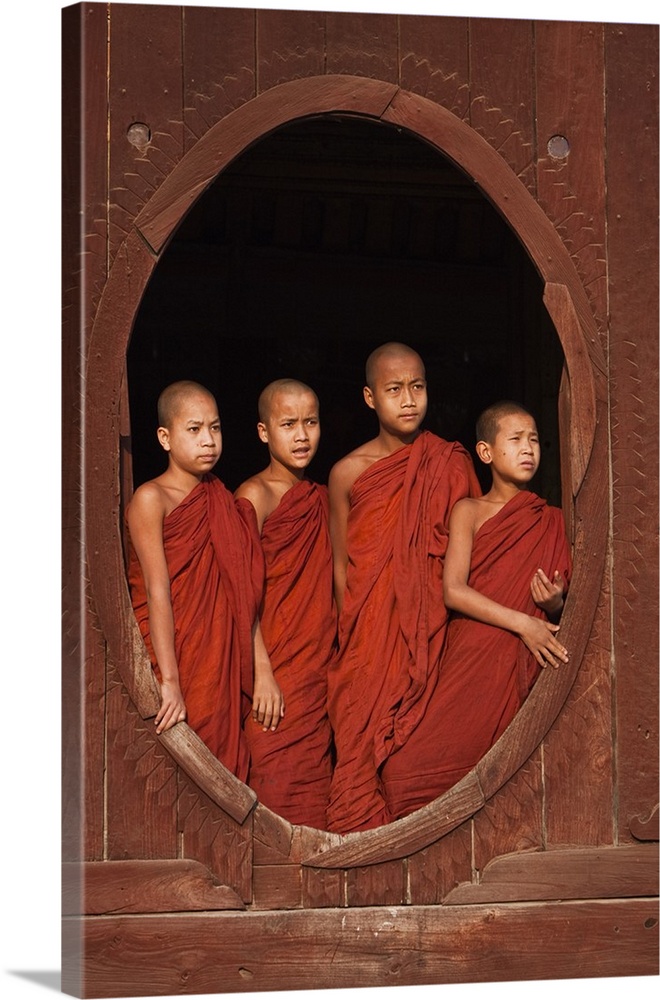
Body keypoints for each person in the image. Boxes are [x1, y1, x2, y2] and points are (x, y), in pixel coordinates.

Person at [380, 400, 572, 818]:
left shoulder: (552, 519)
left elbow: (564, 598)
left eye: (535, 440)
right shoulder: (469, 510)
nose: (528, 449)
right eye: (516, 439)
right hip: (472, 652)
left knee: (508, 779)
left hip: (518, 660)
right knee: (405, 770)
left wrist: (554, 604)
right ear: (485, 453)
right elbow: (453, 590)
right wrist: (525, 622)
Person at [325, 342, 481, 833]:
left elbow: (480, 556)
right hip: (368, 646)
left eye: (417, 386)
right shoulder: (347, 473)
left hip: (433, 636)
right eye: (394, 390)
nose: (409, 399)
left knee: (415, 761)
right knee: (357, 767)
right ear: (371, 398)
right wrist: (349, 645)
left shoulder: (450, 463)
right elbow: (340, 567)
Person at [126, 380, 282, 782]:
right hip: (177, 654)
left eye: (215, 428)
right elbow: (158, 590)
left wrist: (262, 669)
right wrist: (170, 681)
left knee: (225, 771)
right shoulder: (151, 498)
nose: (208, 440)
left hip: (221, 660)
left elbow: (246, 596)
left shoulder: (225, 502)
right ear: (165, 437)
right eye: (193, 430)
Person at [235, 379, 337, 828]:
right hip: (272, 668)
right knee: (274, 785)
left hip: (318, 669)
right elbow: (241, 595)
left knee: (318, 793)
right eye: (288, 424)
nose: (301, 435)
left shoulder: (321, 498)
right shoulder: (252, 496)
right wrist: (262, 673)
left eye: (311, 423)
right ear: (263, 432)